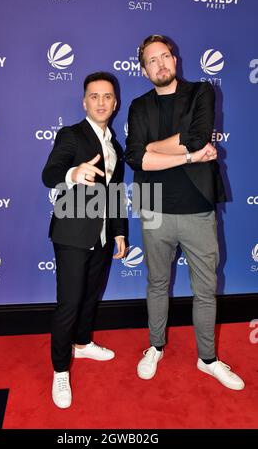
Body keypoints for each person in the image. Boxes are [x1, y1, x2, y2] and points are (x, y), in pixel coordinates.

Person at [125, 35, 245, 390]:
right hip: (154, 210)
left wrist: (152, 147)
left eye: (165, 56)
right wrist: (189, 156)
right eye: (151, 60)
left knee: (206, 289)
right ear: (143, 69)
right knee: (157, 283)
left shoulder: (201, 93)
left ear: (175, 60)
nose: (160, 64)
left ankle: (207, 359)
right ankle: (155, 346)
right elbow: (136, 158)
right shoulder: (138, 106)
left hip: (198, 208)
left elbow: (196, 136)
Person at [42, 72, 128, 408]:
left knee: (91, 297)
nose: (102, 102)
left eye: (107, 96)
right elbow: (49, 174)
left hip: (104, 237)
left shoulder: (114, 146)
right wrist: (73, 174)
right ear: (84, 102)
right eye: (95, 96)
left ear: (115, 103)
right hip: (72, 235)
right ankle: (60, 370)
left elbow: (116, 193)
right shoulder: (71, 135)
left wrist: (120, 231)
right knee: (69, 304)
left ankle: (83, 342)